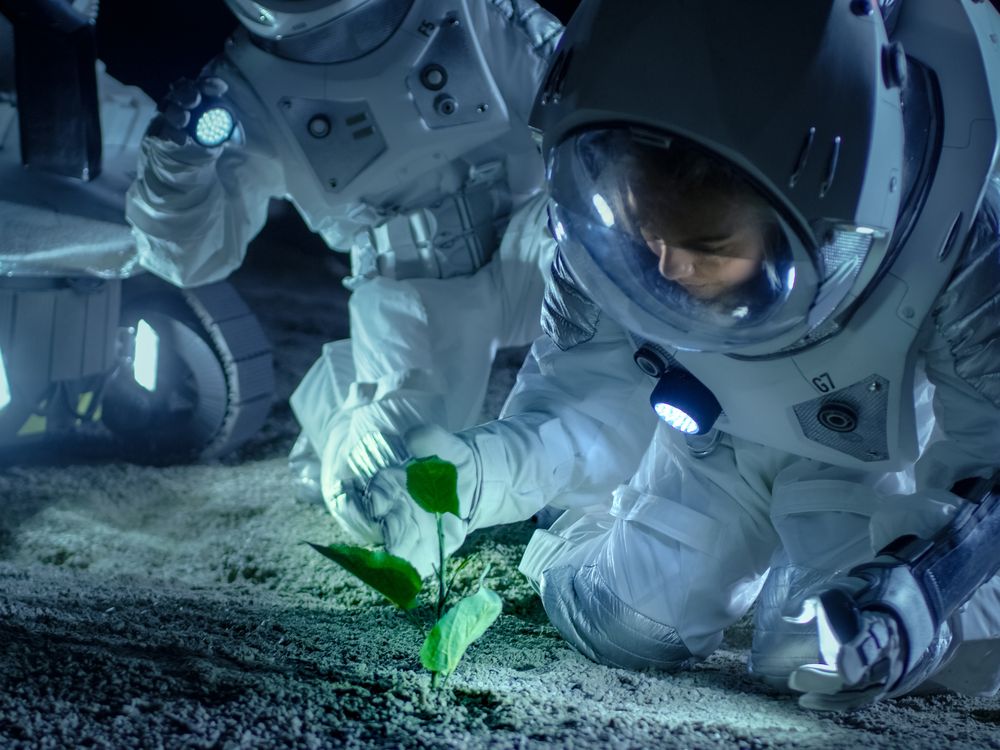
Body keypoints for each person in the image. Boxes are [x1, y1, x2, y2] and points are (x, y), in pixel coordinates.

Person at [332, 0, 1000, 711]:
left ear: (836, 210)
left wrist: (915, 593)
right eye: (649, 234)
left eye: (709, 249)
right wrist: (480, 470)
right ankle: (579, 529)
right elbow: (577, 397)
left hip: (868, 472)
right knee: (621, 620)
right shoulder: (610, 238)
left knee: (812, 653)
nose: (670, 271)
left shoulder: (956, 243)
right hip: (716, 446)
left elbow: (988, 454)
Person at [125, 0, 561, 496]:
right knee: (397, 489)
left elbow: (580, 100)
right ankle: (345, 414)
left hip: (538, 242)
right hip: (415, 291)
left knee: (631, 303)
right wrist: (177, 173)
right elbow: (189, 259)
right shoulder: (238, 92)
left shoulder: (476, 9)